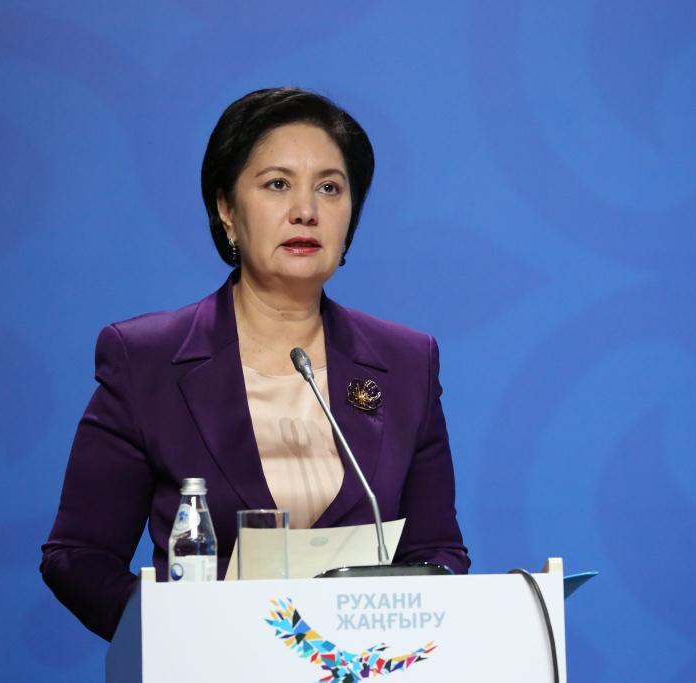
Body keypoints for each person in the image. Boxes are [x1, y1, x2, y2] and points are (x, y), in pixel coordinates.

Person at [40, 87, 470, 641]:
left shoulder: (407, 363)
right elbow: (79, 557)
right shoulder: (148, 361)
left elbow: (437, 549)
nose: (306, 211)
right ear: (226, 209)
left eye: (330, 188)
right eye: (277, 184)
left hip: (362, 665)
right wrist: (181, 635)